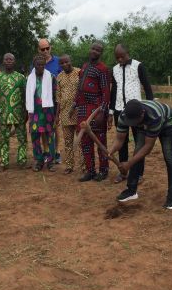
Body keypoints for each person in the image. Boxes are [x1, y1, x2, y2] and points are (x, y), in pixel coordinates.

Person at [110, 99, 172, 209]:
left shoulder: (154, 116)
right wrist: (110, 152)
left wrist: (128, 164)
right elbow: (119, 140)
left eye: (135, 121)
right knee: (137, 152)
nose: (133, 124)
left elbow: (147, 148)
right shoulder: (124, 116)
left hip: (167, 123)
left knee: (169, 157)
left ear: (142, 113)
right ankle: (131, 191)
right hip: (144, 125)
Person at [108, 44, 154, 183]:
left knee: (139, 142)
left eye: (122, 56)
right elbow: (114, 90)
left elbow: (147, 86)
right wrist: (111, 111)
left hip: (136, 111)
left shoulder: (138, 66)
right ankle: (123, 172)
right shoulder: (115, 69)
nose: (120, 59)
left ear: (128, 52)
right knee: (121, 141)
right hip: (119, 109)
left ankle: (138, 173)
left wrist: (150, 106)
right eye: (117, 58)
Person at [75, 41, 111, 182]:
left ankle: (103, 170)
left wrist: (103, 111)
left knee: (100, 139)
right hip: (82, 109)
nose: (94, 51)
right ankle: (90, 171)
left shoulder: (103, 69)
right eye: (93, 48)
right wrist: (74, 105)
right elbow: (79, 88)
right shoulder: (85, 66)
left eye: (98, 50)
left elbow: (106, 92)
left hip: (96, 109)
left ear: (101, 53)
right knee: (85, 141)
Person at [0, 53, 28, 171]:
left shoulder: (21, 78)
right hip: (4, 113)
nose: (8, 61)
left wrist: (26, 111)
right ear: (3, 61)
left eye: (11, 59)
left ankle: (22, 161)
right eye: (6, 59)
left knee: (22, 138)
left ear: (14, 61)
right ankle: (4, 162)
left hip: (19, 113)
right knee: (3, 139)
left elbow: (25, 96)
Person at [26, 55, 57, 172]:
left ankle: (50, 161)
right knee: (35, 136)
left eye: (43, 65)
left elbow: (55, 96)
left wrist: (56, 114)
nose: (41, 67)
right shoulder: (29, 78)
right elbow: (27, 96)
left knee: (50, 136)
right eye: (38, 65)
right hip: (34, 112)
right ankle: (39, 160)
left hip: (48, 111)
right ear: (34, 65)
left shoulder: (51, 77)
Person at [56, 54, 85, 174]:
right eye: (61, 63)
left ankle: (84, 166)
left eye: (66, 62)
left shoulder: (80, 73)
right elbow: (58, 98)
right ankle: (69, 165)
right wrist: (57, 115)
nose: (64, 65)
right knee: (67, 141)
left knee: (81, 140)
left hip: (79, 112)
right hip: (65, 114)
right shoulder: (59, 77)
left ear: (70, 61)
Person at [37, 38, 63, 164]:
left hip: (55, 99)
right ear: (39, 50)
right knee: (42, 126)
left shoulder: (58, 61)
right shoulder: (36, 63)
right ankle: (46, 150)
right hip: (41, 100)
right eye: (43, 49)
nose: (46, 51)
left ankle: (57, 151)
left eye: (47, 48)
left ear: (50, 47)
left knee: (55, 126)